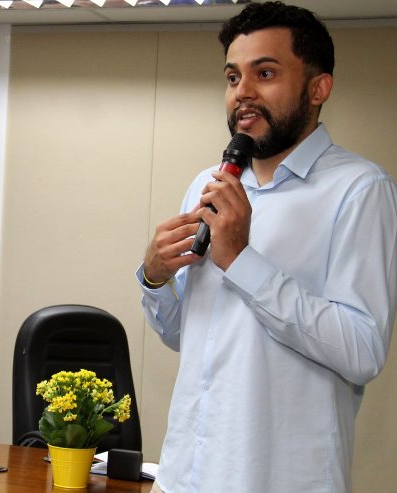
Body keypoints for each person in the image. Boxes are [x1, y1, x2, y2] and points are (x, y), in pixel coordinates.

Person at [138, 2, 397, 492]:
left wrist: (240, 261)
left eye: (266, 72)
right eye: (233, 77)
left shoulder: (360, 189)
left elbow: (363, 349)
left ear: (319, 88)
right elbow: (184, 335)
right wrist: (156, 277)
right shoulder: (208, 185)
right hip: (185, 476)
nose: (244, 93)